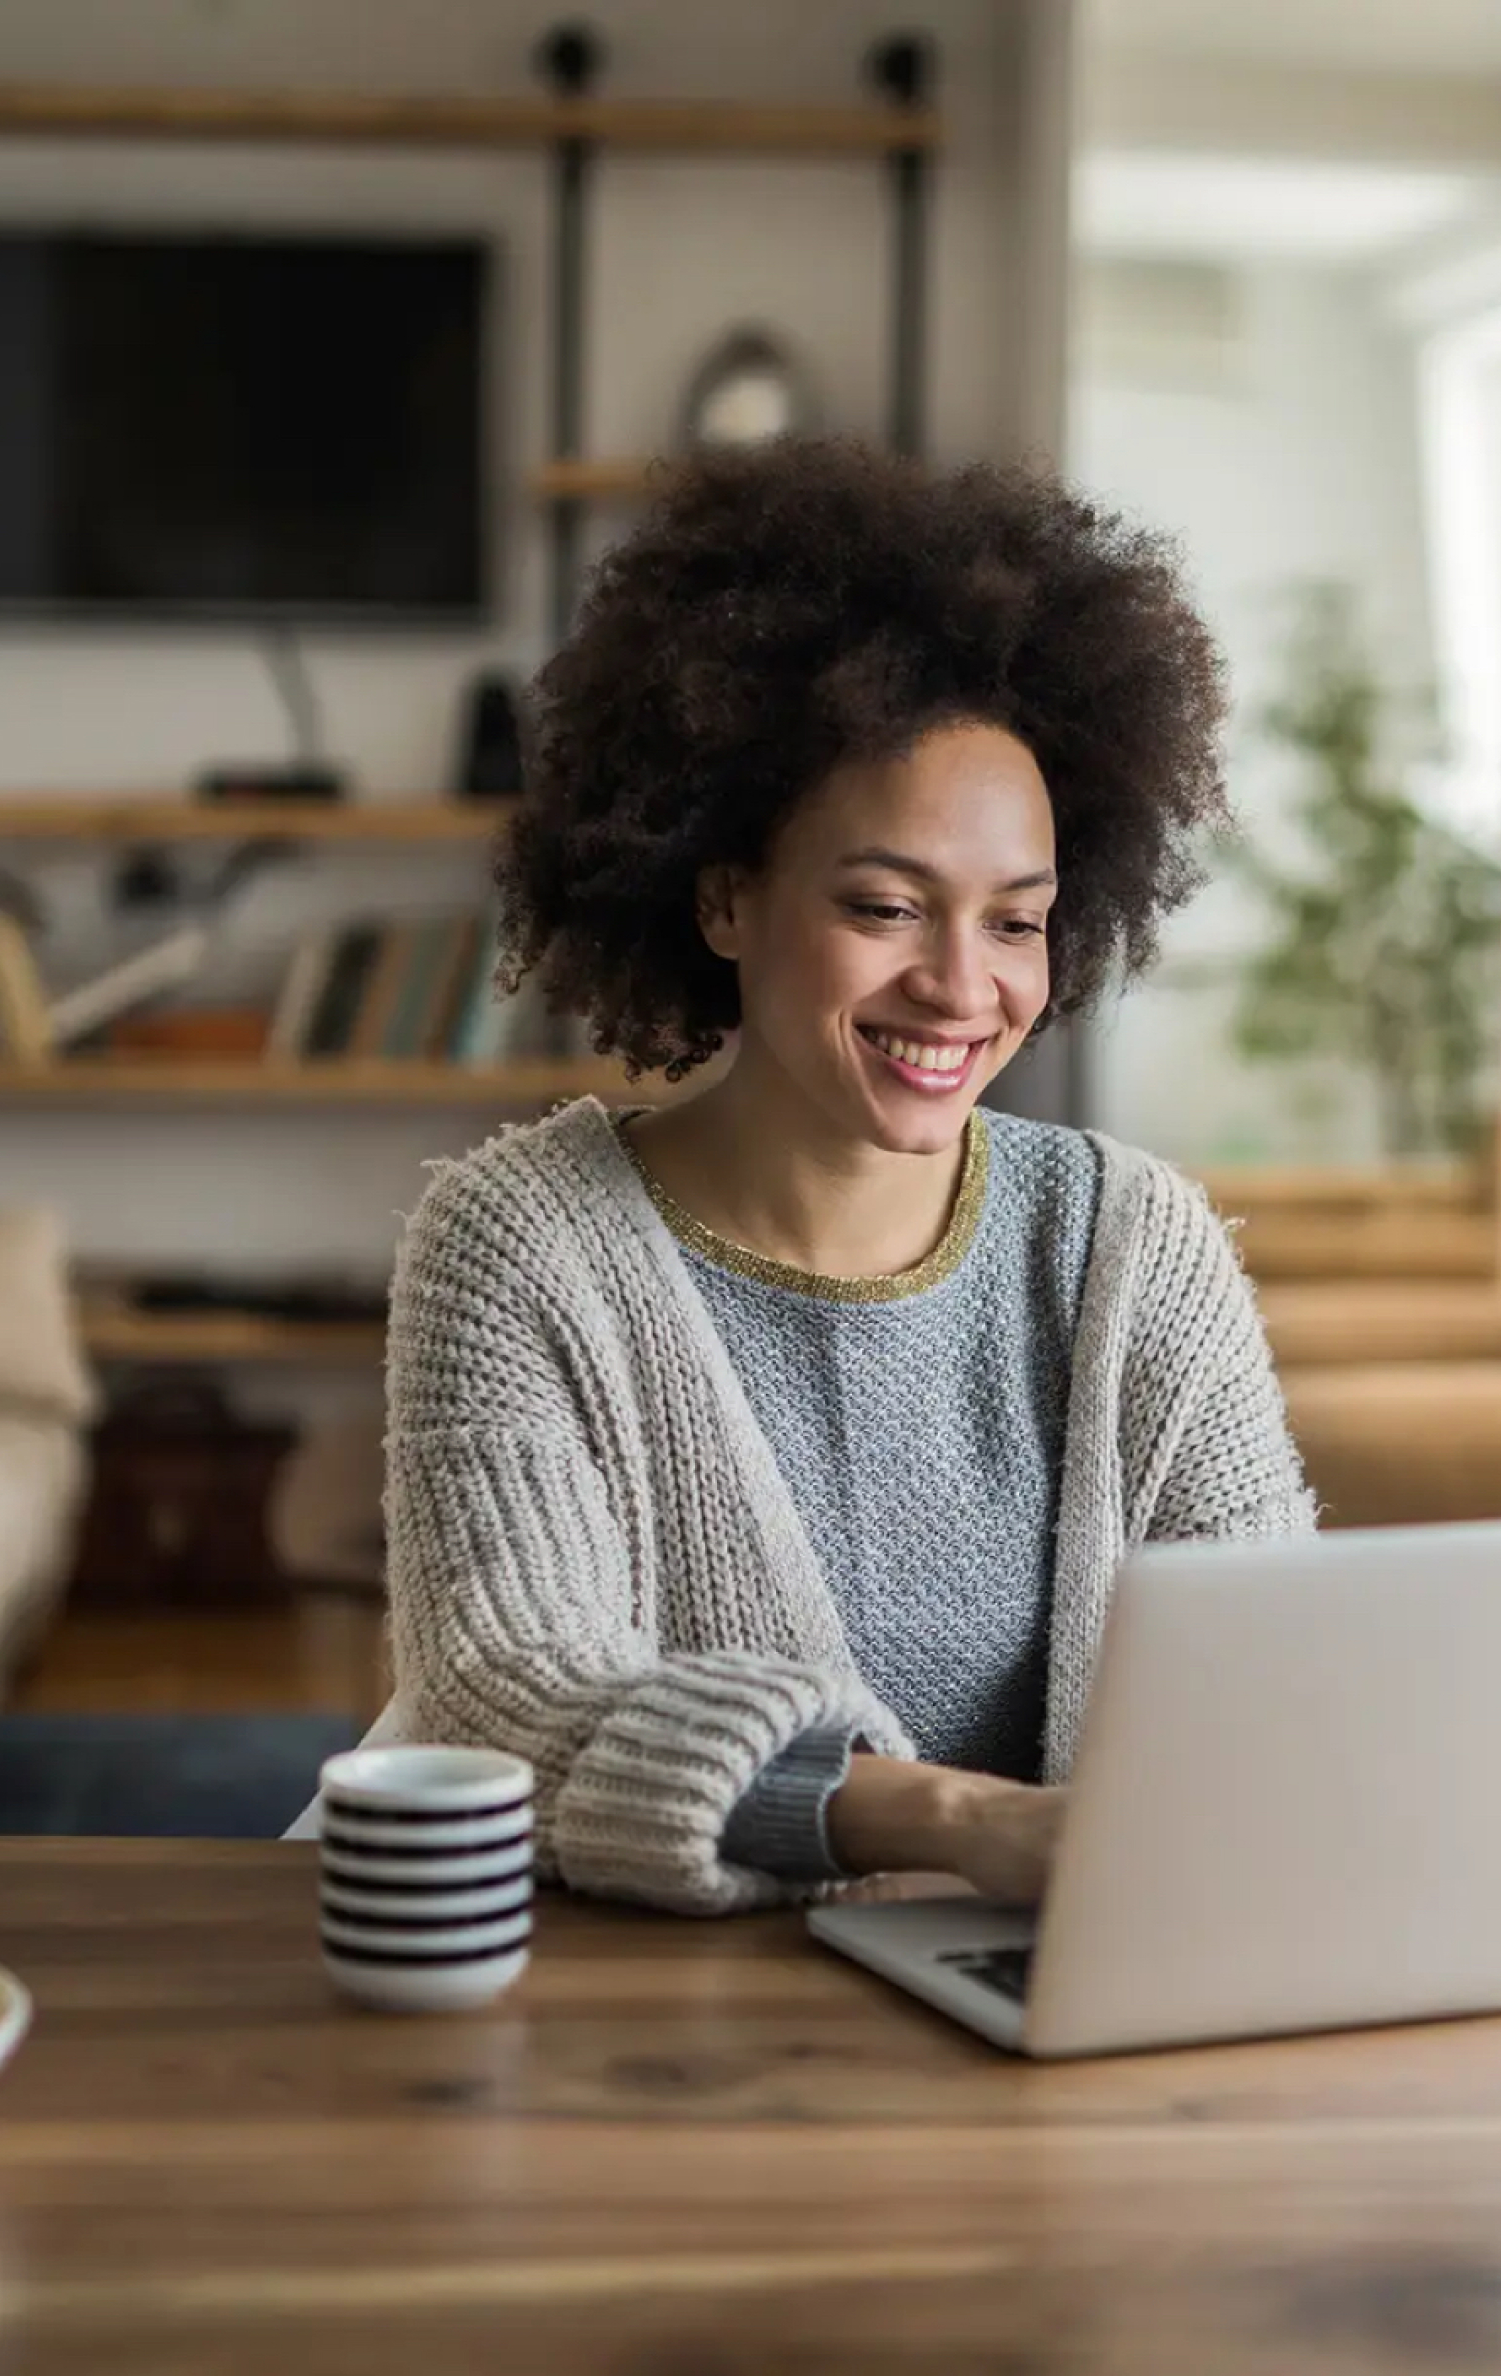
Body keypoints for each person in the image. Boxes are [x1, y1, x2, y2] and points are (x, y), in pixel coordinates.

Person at [362, 437, 1315, 1917]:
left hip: (1046, 2008)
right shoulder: (518, 1244)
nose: (959, 988)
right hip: (650, 2024)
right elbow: (508, 1701)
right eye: (885, 906)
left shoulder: (1135, 1248)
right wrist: (951, 1820)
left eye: (1016, 923)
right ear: (724, 894)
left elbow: (1274, 1672)